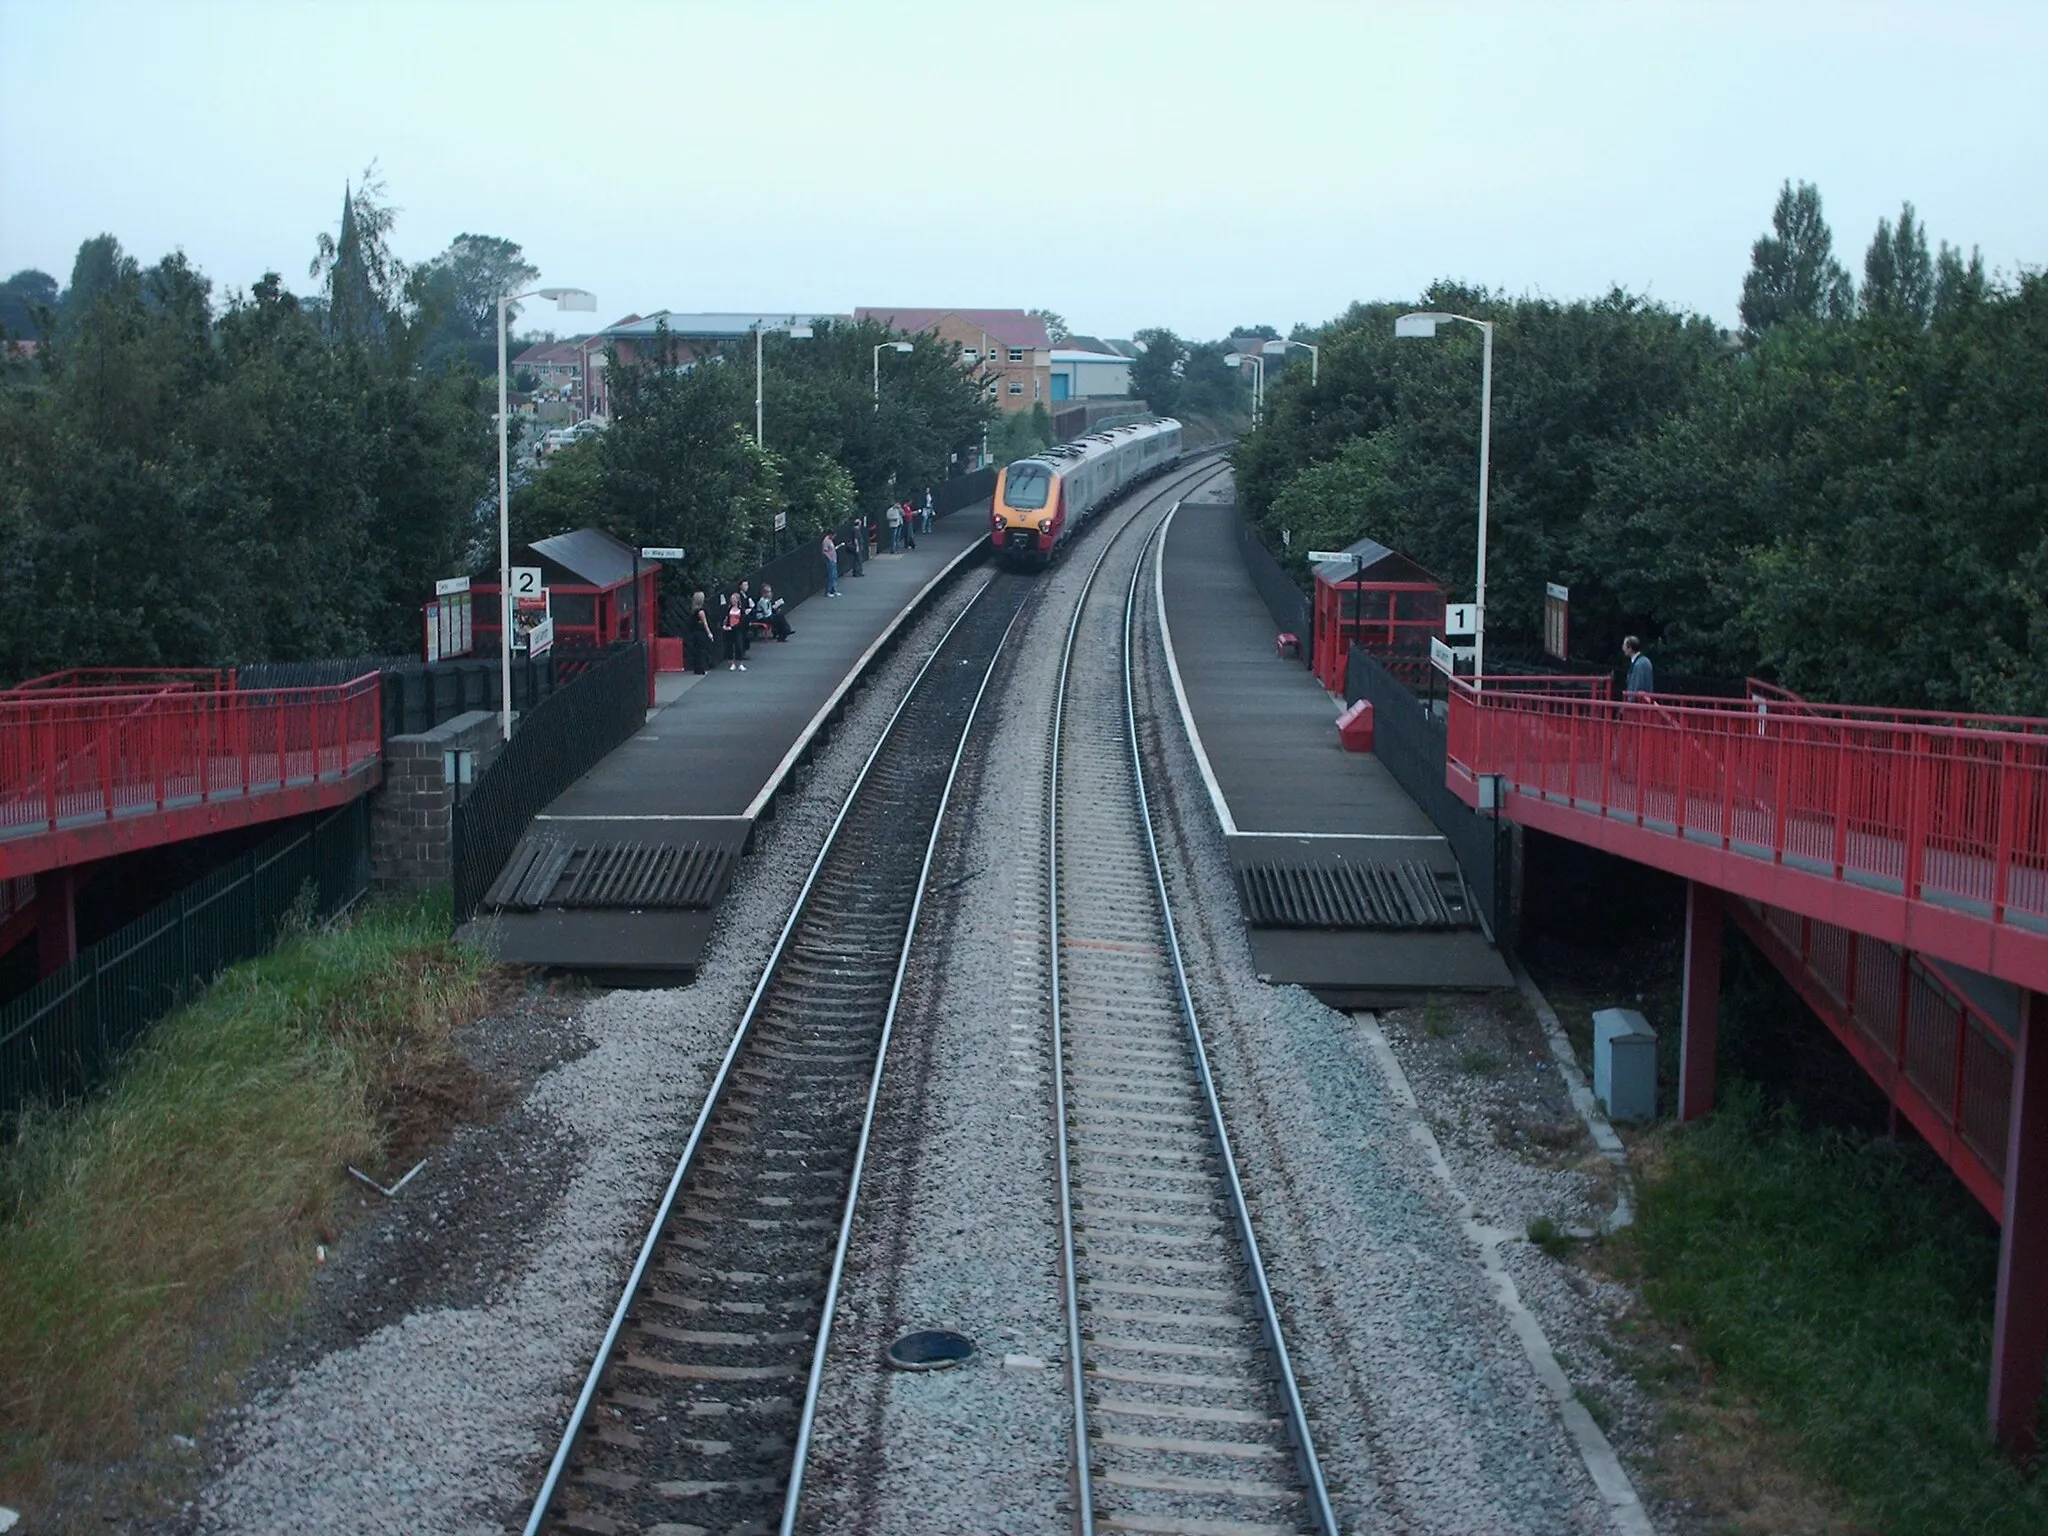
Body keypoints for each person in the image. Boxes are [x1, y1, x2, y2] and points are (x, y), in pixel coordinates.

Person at [687, 591, 714, 673]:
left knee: (697, 651)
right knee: (701, 651)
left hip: (695, 633)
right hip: (701, 633)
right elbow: (705, 623)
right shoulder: (701, 611)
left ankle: (697, 669)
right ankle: (701, 669)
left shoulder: (693, 611)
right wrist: (709, 633)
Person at [722, 594, 748, 671]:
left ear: (737, 600)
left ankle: (740, 663)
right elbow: (726, 619)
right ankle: (731, 663)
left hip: (738, 630)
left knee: (739, 646)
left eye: (734, 599)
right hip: (729, 631)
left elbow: (742, 622)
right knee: (730, 646)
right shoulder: (729, 609)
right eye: (731, 599)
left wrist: (733, 627)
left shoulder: (741, 610)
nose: (732, 600)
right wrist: (725, 626)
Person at [821, 531, 840, 596]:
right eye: (833, 535)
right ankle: (828, 591)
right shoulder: (826, 541)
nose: (834, 537)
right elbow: (825, 551)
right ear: (830, 535)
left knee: (834, 575)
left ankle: (834, 590)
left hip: (833, 560)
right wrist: (830, 558)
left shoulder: (830, 540)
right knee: (830, 575)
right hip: (830, 560)